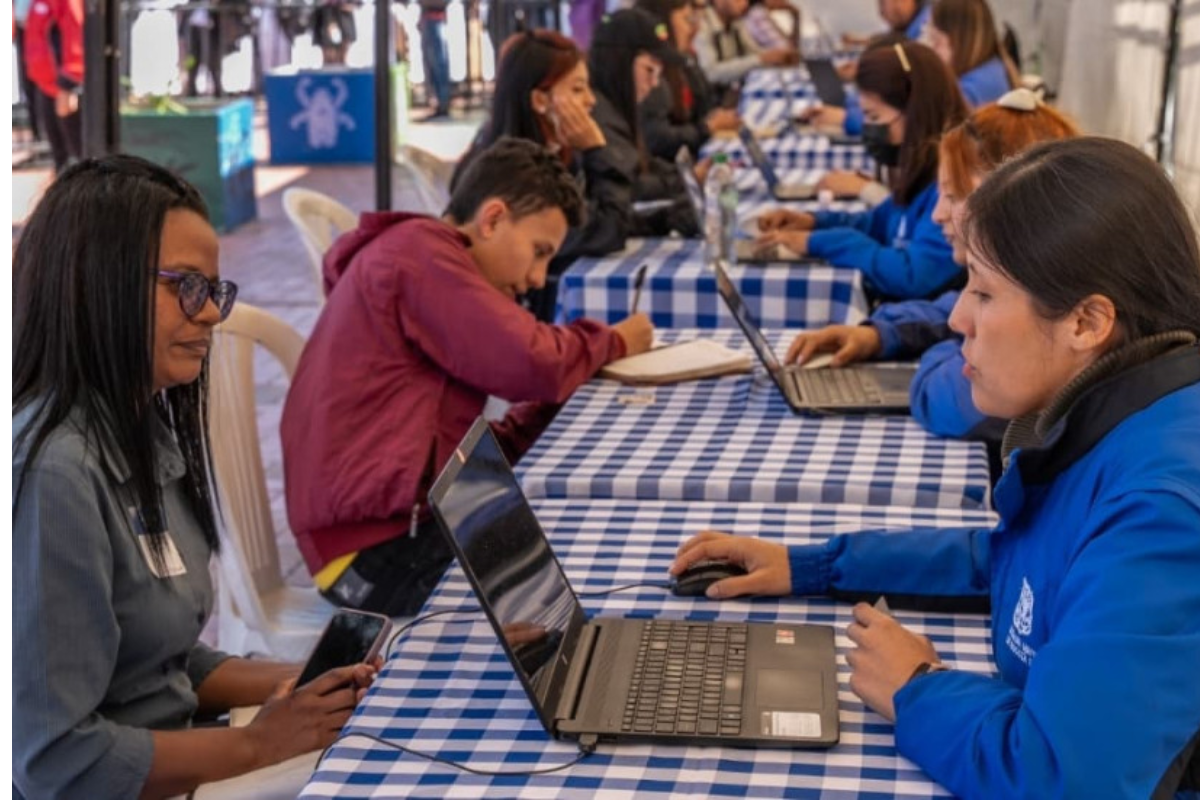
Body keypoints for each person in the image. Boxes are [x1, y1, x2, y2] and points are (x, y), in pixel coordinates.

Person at [672, 137, 1200, 798]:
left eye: (982, 292)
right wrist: (811, 565)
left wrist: (919, 687)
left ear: (1087, 321)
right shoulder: (1116, 420)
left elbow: (1063, 778)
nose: (956, 317)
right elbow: (1017, 560)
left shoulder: (1162, 511)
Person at [13, 155, 378, 799]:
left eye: (212, 289)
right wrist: (259, 743)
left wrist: (297, 684)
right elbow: (54, 759)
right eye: (185, 285)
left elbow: (159, 659)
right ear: (94, 282)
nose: (210, 313)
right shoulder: (57, 476)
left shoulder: (139, 431)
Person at [281, 138, 654, 618]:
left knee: (582, 552)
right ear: (493, 218)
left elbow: (438, 439)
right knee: (575, 590)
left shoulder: (419, 254)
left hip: (391, 527)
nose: (539, 278)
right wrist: (614, 341)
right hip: (373, 555)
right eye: (539, 252)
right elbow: (531, 362)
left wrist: (540, 416)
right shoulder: (420, 255)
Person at [787, 88, 1079, 448]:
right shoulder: (1037, 279)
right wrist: (881, 334)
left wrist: (945, 351)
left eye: (953, 195)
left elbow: (943, 398)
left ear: (1012, 200)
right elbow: (948, 307)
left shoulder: (1038, 323)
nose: (938, 213)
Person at [755, 41, 968, 301]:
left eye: (875, 118)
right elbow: (879, 223)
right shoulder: (923, 170)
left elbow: (912, 275)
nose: (867, 129)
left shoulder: (952, 183)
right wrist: (814, 222)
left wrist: (821, 242)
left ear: (915, 112)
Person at [451, 29, 634, 320]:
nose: (591, 101)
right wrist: (597, 150)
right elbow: (605, 231)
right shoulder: (514, 175)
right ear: (539, 100)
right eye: (577, 89)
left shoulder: (551, 153)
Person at [588, 9, 699, 237]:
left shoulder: (619, 107)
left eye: (659, 73)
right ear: (619, 63)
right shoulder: (598, 115)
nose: (654, 83)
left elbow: (642, 164)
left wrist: (685, 176)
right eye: (649, 70)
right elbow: (629, 185)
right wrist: (679, 183)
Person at [636, 0, 740, 161]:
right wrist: (706, 128)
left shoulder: (683, 61)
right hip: (673, 169)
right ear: (663, 25)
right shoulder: (651, 73)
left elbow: (706, 103)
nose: (694, 28)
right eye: (687, 20)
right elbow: (657, 139)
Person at [692, 0, 798, 99]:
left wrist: (775, 57)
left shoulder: (735, 22)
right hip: (714, 103)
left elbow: (753, 52)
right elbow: (711, 73)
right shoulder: (702, 25)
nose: (745, 4)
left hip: (734, 94)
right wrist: (761, 59)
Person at [23, 0, 83, 172]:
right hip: (45, 85)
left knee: (77, 156)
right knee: (60, 157)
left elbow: (75, 37)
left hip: (63, 89)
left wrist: (69, 84)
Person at [927, 0, 1017, 107]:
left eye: (937, 41)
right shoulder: (993, 68)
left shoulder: (973, 90)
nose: (931, 49)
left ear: (959, 41)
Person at [415, 0, 452, 118]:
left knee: (438, 63)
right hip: (430, 19)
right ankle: (440, 103)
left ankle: (443, 104)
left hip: (435, 19)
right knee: (433, 64)